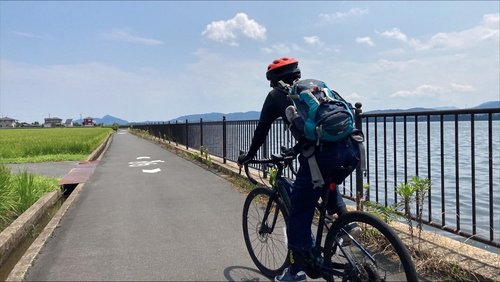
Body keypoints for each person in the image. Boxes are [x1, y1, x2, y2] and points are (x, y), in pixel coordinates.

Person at [238, 57, 360, 282]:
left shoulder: (276, 95)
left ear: (273, 81)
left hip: (321, 158)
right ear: (296, 74)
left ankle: (296, 272)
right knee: (325, 182)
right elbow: (316, 130)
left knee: (299, 213)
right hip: (350, 150)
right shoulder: (316, 90)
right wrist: (296, 149)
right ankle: (345, 223)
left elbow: (262, 130)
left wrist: (249, 156)